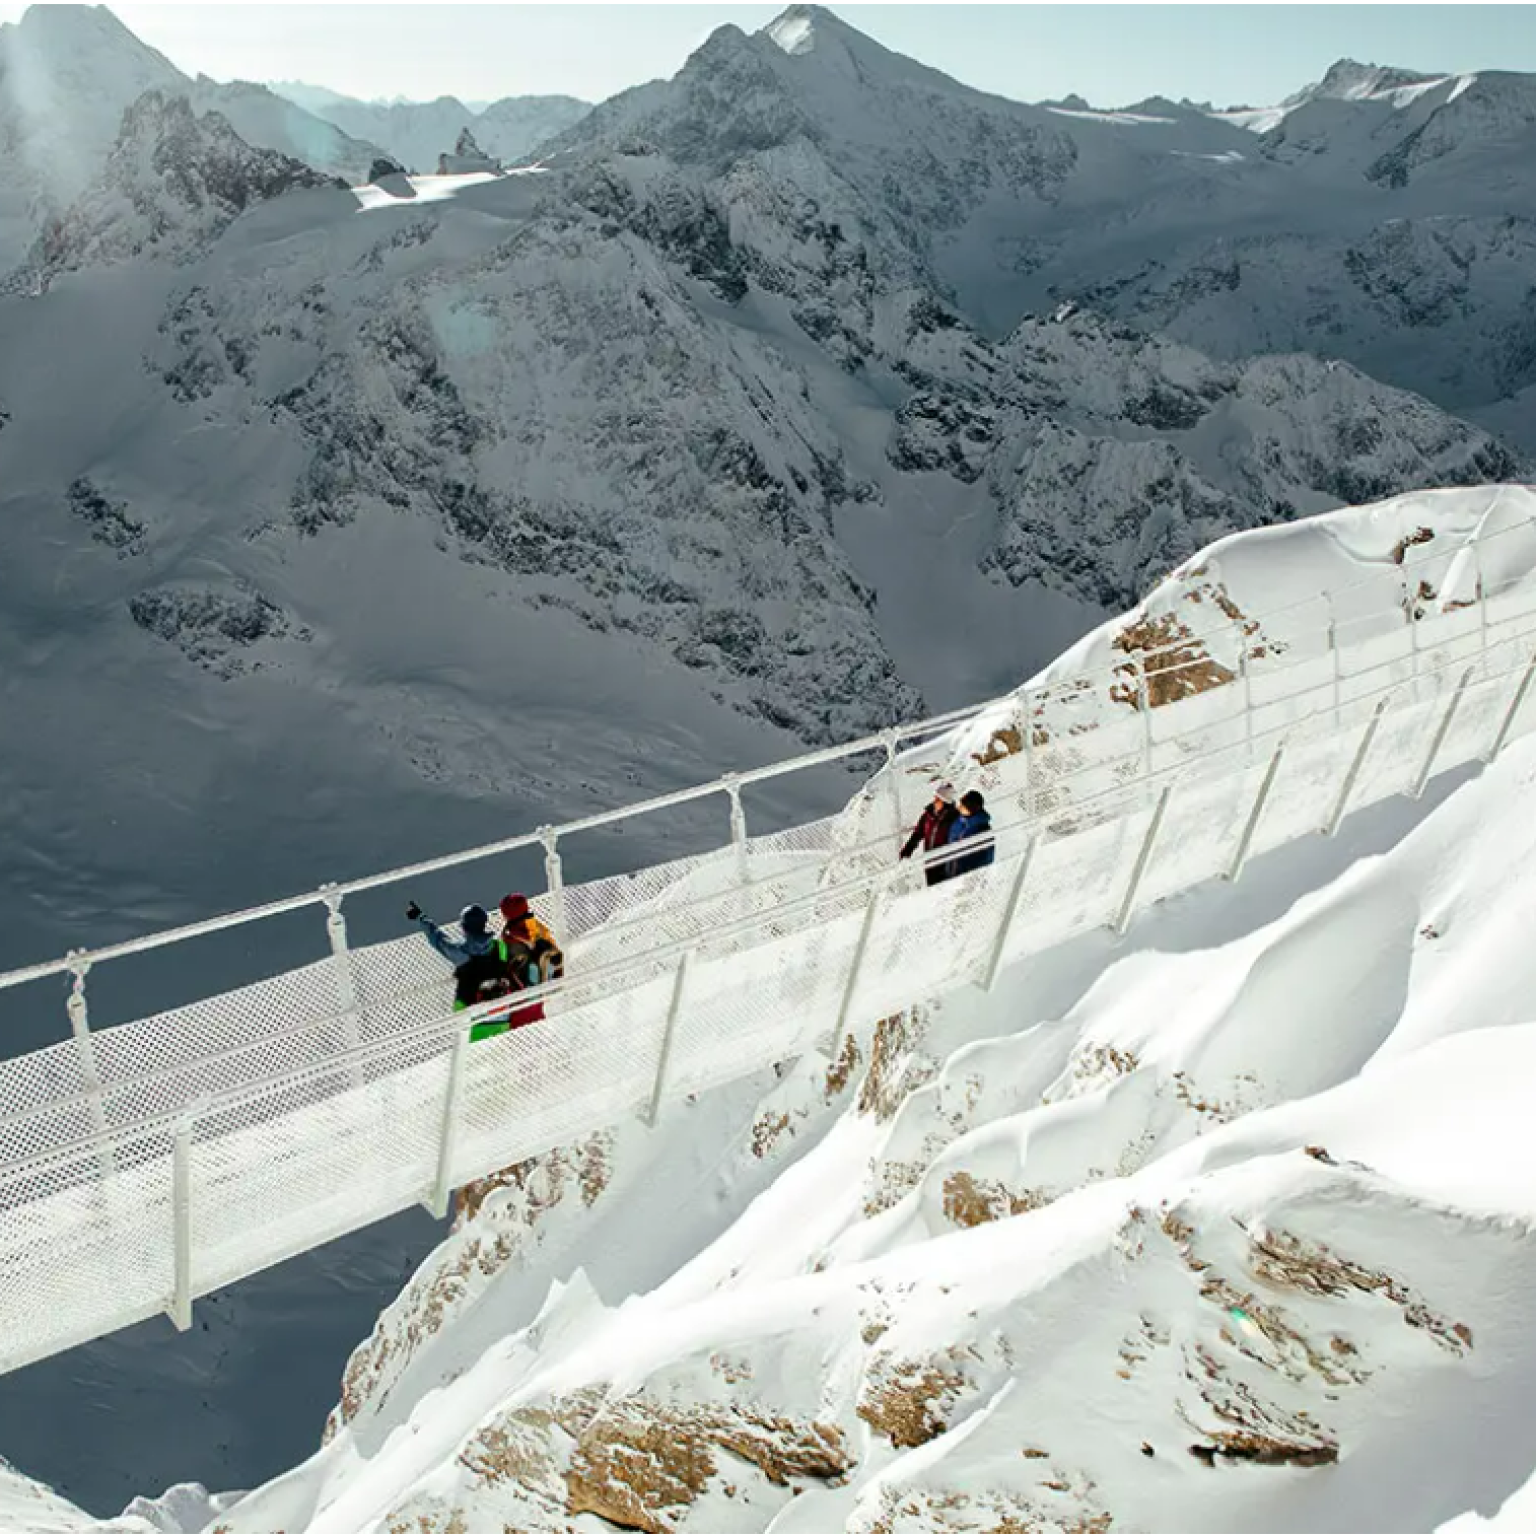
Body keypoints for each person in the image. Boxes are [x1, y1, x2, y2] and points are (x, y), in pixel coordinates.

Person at [406, 901, 515, 1041]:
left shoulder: (459, 953)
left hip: (471, 1020)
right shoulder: (500, 947)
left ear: (464, 927)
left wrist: (421, 917)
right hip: (502, 1017)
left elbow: (437, 939)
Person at [498, 893, 565, 1029]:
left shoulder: (512, 934)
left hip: (522, 989)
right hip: (541, 982)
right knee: (536, 1020)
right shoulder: (536, 926)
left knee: (521, 1026)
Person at [899, 781, 960, 886]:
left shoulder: (954, 817)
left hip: (945, 863)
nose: (934, 801)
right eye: (935, 797)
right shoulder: (928, 815)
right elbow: (918, 833)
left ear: (945, 801)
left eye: (938, 799)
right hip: (929, 861)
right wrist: (907, 851)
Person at [944, 790, 996, 880]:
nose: (959, 806)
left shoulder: (982, 829)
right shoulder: (958, 822)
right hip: (951, 873)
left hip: (967, 878)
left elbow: (984, 859)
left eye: (962, 805)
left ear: (970, 808)